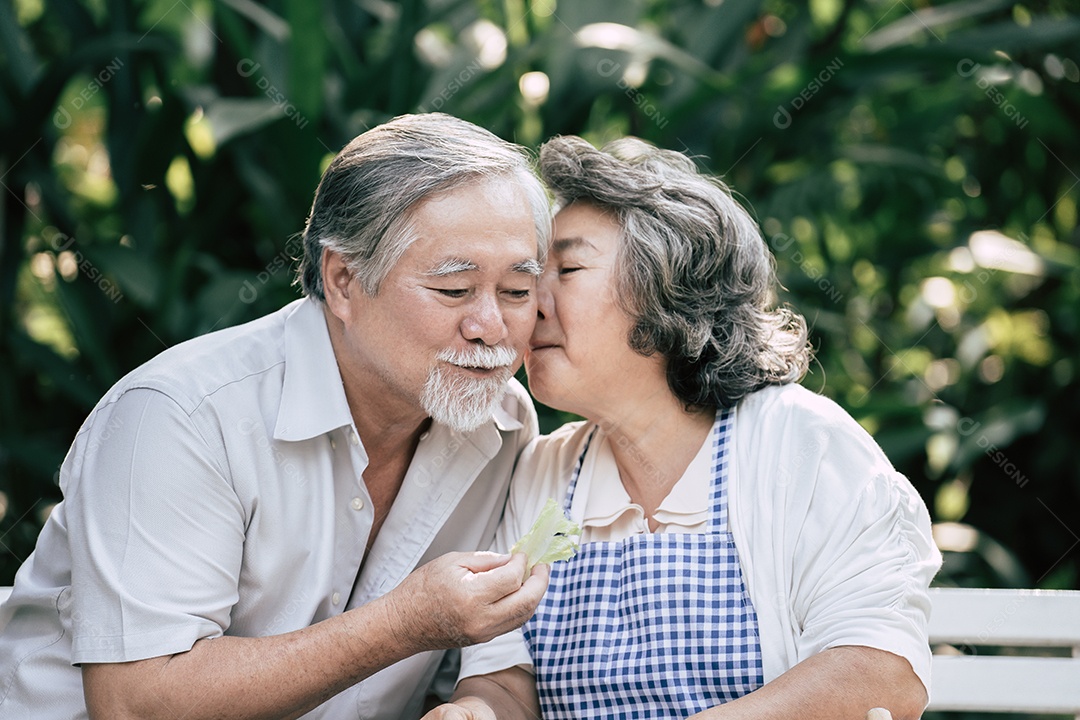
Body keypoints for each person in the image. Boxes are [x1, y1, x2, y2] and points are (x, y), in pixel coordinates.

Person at [0, 113, 556, 720]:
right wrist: (404, 623)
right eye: (454, 291)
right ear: (343, 281)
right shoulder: (184, 416)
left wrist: (477, 705)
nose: (491, 329)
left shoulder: (501, 425)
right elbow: (138, 705)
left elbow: (481, 670)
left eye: (517, 292)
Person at [425, 136, 942, 720]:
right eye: (530, 276)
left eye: (566, 269)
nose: (526, 302)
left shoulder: (803, 444)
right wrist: (476, 712)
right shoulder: (542, 470)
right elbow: (504, 680)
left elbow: (879, 674)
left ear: (668, 287)